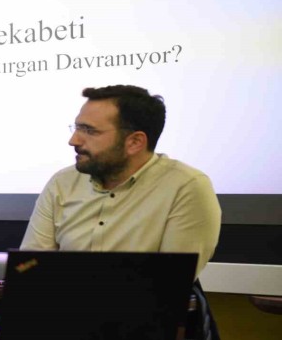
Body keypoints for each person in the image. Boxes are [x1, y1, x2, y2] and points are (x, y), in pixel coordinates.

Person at [20, 85, 222, 339]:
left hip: (141, 328)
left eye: (89, 131)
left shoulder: (186, 186)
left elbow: (168, 287)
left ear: (135, 142)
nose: (74, 140)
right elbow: (30, 267)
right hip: (59, 320)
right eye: (77, 128)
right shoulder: (62, 182)